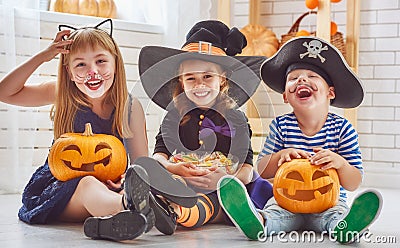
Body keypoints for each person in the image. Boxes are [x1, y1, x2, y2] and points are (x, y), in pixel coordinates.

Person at [0, 19, 185, 241]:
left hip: (110, 187)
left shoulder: (129, 106)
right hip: (62, 191)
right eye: (81, 65)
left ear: (115, 65)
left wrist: (127, 178)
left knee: (139, 184)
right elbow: (5, 92)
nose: (93, 72)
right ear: (68, 72)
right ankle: (130, 207)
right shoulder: (61, 93)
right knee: (88, 184)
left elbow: (139, 163)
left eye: (101, 61)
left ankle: (111, 222)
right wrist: (44, 55)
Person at [218, 36, 382, 243]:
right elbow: (262, 169)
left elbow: (353, 182)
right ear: (286, 96)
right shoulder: (281, 126)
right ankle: (257, 221)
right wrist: (280, 156)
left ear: (330, 92)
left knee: (334, 216)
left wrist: (339, 163)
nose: (302, 80)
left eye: (312, 76)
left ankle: (345, 227)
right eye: (294, 78)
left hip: (328, 203)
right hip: (286, 202)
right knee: (275, 213)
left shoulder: (343, 129)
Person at [138, 20, 273, 232]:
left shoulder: (236, 119)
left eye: (207, 76)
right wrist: (174, 168)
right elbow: (159, 154)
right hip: (182, 177)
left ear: (223, 79)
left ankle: (178, 212)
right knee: (150, 167)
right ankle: (158, 203)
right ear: (181, 81)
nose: (199, 84)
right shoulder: (174, 117)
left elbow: (247, 170)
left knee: (213, 200)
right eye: (191, 78)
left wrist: (224, 181)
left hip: (222, 186)